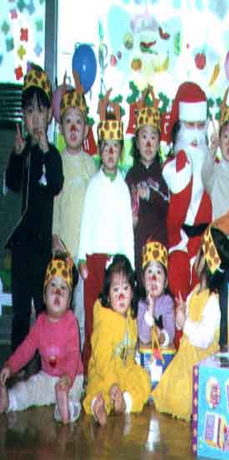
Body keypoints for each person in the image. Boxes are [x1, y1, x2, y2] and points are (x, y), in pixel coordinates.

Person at [152, 207, 229, 421]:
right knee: (166, 392)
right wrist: (181, 315)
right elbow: (184, 325)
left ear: (206, 262)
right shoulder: (196, 291)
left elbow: (204, 338)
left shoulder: (213, 300)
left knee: (182, 399)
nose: (195, 258)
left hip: (201, 363)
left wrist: (186, 323)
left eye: (199, 253)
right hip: (185, 358)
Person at [4, 65, 63, 370]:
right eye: (29, 112)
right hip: (21, 249)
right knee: (19, 314)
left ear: (50, 115)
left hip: (41, 250)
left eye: (41, 111)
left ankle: (43, 369)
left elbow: (56, 184)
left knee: (42, 310)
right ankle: (14, 368)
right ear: (24, 118)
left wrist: (45, 150)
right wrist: (16, 155)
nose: (35, 118)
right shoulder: (22, 151)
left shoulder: (51, 153)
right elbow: (12, 185)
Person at [78, 90, 134, 373]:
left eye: (115, 147)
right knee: (93, 316)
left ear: (120, 151)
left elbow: (127, 231)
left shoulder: (123, 188)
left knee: (115, 316)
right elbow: (86, 222)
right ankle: (90, 370)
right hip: (95, 259)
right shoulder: (93, 185)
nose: (110, 152)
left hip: (117, 264)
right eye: (106, 147)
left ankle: (115, 369)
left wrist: (130, 266)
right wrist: (81, 257)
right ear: (99, 150)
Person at [0, 256, 83, 424]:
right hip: (47, 377)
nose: (58, 291)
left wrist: (67, 378)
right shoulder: (40, 322)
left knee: (73, 398)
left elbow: (74, 355)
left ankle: (65, 409)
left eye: (63, 288)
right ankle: (9, 400)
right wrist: (11, 365)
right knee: (29, 388)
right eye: (53, 286)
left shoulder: (71, 322)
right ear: (44, 296)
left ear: (69, 301)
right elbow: (26, 348)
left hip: (71, 377)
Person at [162, 81, 213, 348]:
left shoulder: (208, 163)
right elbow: (174, 217)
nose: (194, 134)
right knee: (179, 292)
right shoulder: (174, 166)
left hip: (204, 244)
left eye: (199, 126)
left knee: (205, 299)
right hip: (180, 245)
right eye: (189, 126)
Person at [52, 71, 97, 350]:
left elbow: (96, 205)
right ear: (60, 128)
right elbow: (55, 203)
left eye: (78, 122)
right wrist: (55, 237)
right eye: (67, 121)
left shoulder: (90, 165)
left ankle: (79, 364)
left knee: (81, 311)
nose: (73, 127)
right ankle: (59, 361)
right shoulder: (57, 162)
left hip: (84, 252)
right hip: (63, 249)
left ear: (86, 129)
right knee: (61, 309)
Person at [83, 254, 151, 426]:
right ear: (107, 295)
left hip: (125, 369)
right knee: (97, 386)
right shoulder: (105, 322)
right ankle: (98, 405)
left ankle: (124, 402)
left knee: (143, 378)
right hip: (105, 370)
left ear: (132, 292)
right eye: (115, 290)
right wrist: (112, 383)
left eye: (125, 288)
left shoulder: (131, 316)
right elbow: (102, 358)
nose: (121, 295)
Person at [202, 88, 229, 345]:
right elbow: (205, 174)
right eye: (225, 137)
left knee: (228, 301)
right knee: (211, 298)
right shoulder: (215, 172)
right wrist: (212, 149)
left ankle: (225, 345)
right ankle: (208, 345)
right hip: (213, 245)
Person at [125, 86, 168, 284]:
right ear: (136, 143)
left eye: (153, 137)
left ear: (158, 143)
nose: (148, 143)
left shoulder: (164, 174)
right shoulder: (131, 175)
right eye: (144, 137)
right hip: (136, 245)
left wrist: (150, 195)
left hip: (159, 248)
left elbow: (168, 206)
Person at [137, 241, 175, 347]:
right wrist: (150, 308)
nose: (153, 278)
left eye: (158, 272)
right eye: (149, 271)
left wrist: (162, 337)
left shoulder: (167, 302)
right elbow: (144, 338)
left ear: (166, 282)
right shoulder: (141, 304)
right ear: (143, 280)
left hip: (164, 353)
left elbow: (171, 333)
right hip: (145, 353)